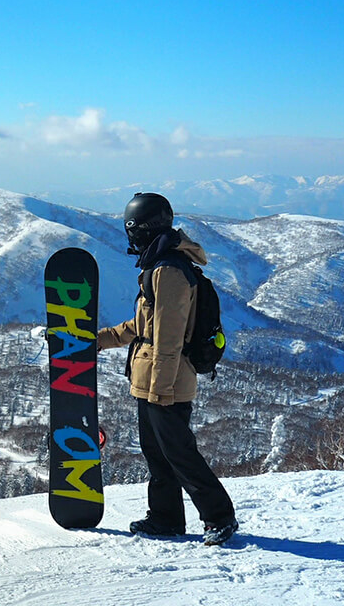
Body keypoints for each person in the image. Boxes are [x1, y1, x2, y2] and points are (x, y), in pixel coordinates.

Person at [96, 192, 239, 546]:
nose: (129, 236)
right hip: (149, 380)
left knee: (179, 453)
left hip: (167, 383)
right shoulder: (157, 265)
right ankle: (166, 518)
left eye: (131, 228)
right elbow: (142, 327)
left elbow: (169, 337)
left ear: (144, 228)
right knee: (157, 454)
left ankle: (219, 517)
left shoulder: (169, 271)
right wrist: (96, 339)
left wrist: (160, 388)